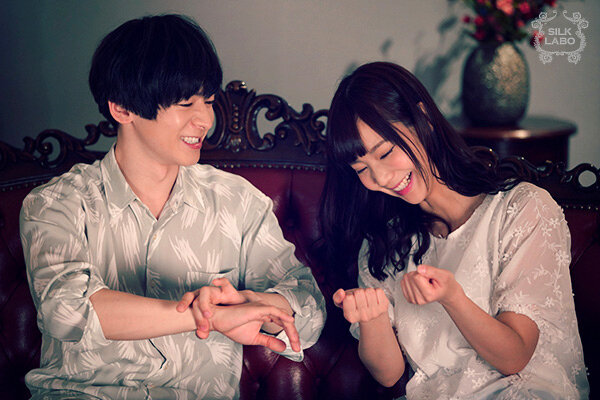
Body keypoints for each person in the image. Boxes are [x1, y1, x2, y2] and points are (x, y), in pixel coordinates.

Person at [20, 14, 325, 400]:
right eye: (185, 103)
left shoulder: (237, 201)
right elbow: (67, 311)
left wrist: (254, 304)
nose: (205, 120)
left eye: (208, 101)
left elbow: (309, 305)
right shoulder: (55, 204)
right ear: (122, 109)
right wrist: (206, 316)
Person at [320, 61, 588, 399]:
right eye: (362, 168)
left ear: (424, 120)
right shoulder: (384, 243)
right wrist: (372, 318)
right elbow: (388, 375)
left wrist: (452, 298)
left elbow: (515, 357)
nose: (381, 178)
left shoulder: (522, 210)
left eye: (386, 152)